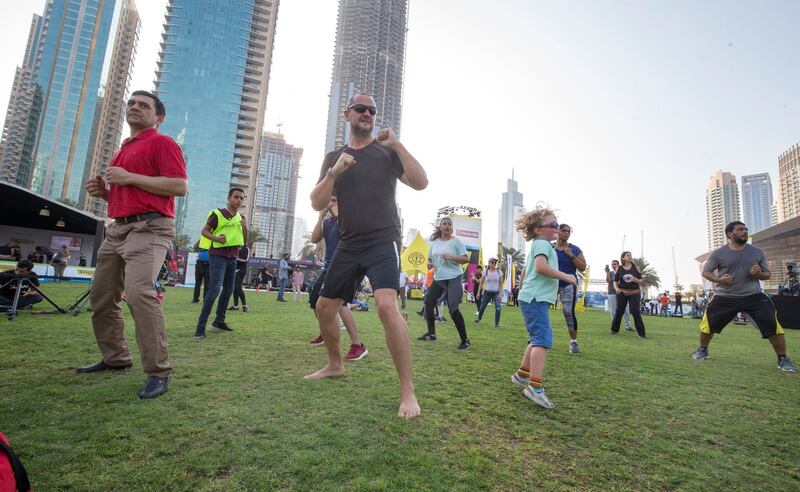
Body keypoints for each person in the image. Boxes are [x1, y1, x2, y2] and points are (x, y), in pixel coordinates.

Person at [308, 92, 427, 418]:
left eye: (372, 110)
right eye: (360, 109)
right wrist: (334, 173)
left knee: (387, 305)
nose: (367, 113)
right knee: (323, 306)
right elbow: (318, 203)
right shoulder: (335, 156)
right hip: (348, 242)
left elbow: (421, 182)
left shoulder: (386, 152)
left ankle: (407, 391)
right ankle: (335, 365)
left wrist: (398, 145)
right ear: (347, 115)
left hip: (382, 240)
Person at [77, 90, 187, 399]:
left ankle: (158, 371)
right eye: (132, 103)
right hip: (117, 230)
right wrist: (105, 193)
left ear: (158, 117)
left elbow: (179, 186)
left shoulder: (163, 143)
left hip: (150, 228)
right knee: (100, 296)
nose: (135, 108)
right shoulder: (123, 148)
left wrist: (128, 177)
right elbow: (130, 194)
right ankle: (115, 357)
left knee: (140, 293)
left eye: (144, 105)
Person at [691, 221, 797, 372]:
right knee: (707, 325)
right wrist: (719, 280)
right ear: (730, 234)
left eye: (746, 229)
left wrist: (759, 274)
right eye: (740, 229)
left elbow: (768, 274)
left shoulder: (757, 252)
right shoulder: (719, 253)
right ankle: (702, 350)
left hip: (753, 296)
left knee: (772, 324)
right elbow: (706, 272)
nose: (745, 232)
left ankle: (783, 359)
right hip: (725, 296)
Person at [510, 207, 577, 409]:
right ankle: (534, 388)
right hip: (535, 298)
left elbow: (526, 273)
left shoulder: (541, 244)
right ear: (538, 229)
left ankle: (522, 375)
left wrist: (523, 288)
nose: (557, 229)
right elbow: (540, 267)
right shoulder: (542, 245)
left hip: (532, 297)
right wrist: (567, 277)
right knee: (542, 340)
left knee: (538, 337)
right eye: (553, 225)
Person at [307, 195, 367, 361]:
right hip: (329, 267)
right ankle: (327, 333)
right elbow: (314, 239)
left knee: (340, 304)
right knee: (314, 301)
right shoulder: (327, 222)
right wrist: (320, 216)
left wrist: (338, 213)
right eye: (330, 201)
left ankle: (358, 345)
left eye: (334, 201)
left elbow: (349, 233)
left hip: (346, 266)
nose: (330, 204)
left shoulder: (350, 220)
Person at [193, 188, 247, 338]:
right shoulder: (217, 214)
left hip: (233, 256)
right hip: (218, 255)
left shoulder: (240, 217)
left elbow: (244, 240)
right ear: (228, 198)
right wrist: (217, 239)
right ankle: (200, 327)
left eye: (241, 198)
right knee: (215, 289)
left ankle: (219, 321)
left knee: (229, 289)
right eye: (236, 197)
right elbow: (205, 231)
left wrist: (245, 226)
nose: (239, 200)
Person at [417, 217, 471, 349]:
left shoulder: (456, 242)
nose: (446, 226)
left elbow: (466, 259)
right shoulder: (434, 243)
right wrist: (430, 264)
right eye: (444, 224)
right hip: (439, 278)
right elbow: (430, 259)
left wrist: (451, 257)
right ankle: (431, 334)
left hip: (454, 277)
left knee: (453, 309)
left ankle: (465, 340)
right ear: (440, 227)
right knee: (429, 302)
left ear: (452, 228)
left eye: (449, 224)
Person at [554, 224, 587, 353]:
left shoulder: (574, 249)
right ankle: (536, 338)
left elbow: (583, 267)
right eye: (564, 231)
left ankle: (573, 342)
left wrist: (571, 256)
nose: (566, 233)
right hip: (551, 283)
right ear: (558, 231)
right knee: (542, 309)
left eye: (569, 231)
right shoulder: (550, 247)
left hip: (568, 284)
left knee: (568, 312)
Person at [611, 251, 647, 337]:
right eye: (628, 255)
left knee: (635, 311)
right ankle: (614, 329)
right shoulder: (619, 268)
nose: (630, 256)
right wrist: (616, 289)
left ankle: (641, 333)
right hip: (622, 292)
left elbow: (641, 281)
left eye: (630, 255)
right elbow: (615, 281)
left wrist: (636, 280)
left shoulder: (636, 268)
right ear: (623, 258)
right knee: (619, 311)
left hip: (635, 292)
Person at [475, 257, 504, 327]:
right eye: (492, 262)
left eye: (495, 262)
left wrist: (500, 294)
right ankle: (479, 318)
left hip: (496, 293)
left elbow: (501, 284)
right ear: (489, 263)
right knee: (482, 307)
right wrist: (478, 293)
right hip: (487, 292)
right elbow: (481, 283)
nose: (494, 264)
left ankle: (497, 323)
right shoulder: (485, 272)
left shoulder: (499, 272)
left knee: (498, 307)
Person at [606, 260, 632, 331]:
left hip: (622, 293)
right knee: (613, 311)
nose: (613, 265)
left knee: (626, 310)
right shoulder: (610, 273)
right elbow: (608, 281)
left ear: (618, 265)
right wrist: (607, 272)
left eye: (615, 264)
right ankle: (614, 326)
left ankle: (628, 326)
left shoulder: (622, 272)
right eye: (612, 264)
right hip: (612, 293)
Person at [229, 241, 250, 311]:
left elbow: (245, 260)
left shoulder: (246, 248)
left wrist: (235, 258)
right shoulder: (234, 247)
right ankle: (236, 306)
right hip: (233, 269)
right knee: (235, 288)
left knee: (238, 287)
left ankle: (244, 305)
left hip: (241, 270)